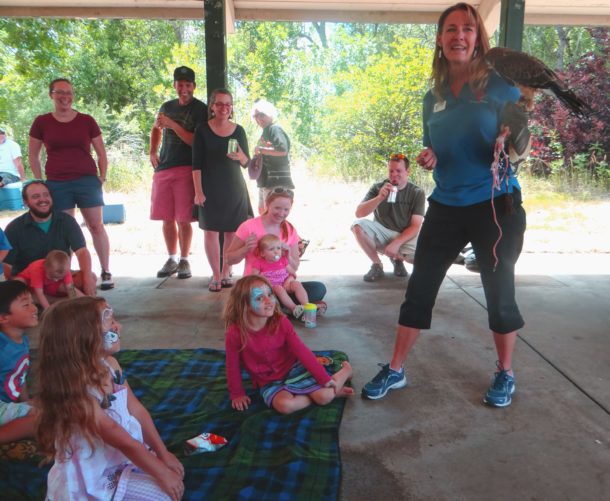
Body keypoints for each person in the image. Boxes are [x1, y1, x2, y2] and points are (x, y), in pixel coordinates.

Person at [361, 2, 527, 408]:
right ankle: (396, 368)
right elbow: (434, 146)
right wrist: (430, 156)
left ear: (477, 38)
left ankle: (505, 373)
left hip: (494, 205)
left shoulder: (499, 87)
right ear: (440, 39)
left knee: (498, 290)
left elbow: (522, 145)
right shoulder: (431, 97)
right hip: (447, 205)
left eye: (467, 29)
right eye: (451, 29)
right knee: (419, 289)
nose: (459, 35)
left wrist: (514, 138)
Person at [37, 296, 184, 500]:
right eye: (109, 321)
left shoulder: (111, 365)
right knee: (163, 494)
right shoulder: (76, 393)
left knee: (173, 480)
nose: (118, 326)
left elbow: (136, 409)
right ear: (82, 336)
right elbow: (119, 438)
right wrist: (160, 471)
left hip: (119, 458)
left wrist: (162, 453)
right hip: (94, 475)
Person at [29, 78, 114, 290]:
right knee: (65, 230)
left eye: (68, 92)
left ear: (73, 95)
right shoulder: (42, 121)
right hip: (57, 182)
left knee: (96, 226)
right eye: (60, 92)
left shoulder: (86, 120)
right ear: (51, 95)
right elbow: (33, 155)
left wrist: (101, 177)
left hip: (87, 181)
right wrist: (41, 182)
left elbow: (101, 153)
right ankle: (65, 275)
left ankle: (105, 271)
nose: (65, 97)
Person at [224, 275, 353, 414]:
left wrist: (323, 378)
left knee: (324, 396)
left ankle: (346, 371)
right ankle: (326, 393)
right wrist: (237, 394)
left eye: (270, 294)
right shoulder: (235, 332)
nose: (269, 301)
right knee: (285, 406)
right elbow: (232, 364)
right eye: (259, 298)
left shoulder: (281, 322)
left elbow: (301, 351)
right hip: (267, 381)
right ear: (244, 304)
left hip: (293, 368)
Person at [225, 188, 328, 313]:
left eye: (286, 209)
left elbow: (294, 268)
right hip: (258, 287)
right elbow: (229, 259)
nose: (281, 213)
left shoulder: (289, 229)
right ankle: (287, 308)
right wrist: (245, 249)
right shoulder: (248, 226)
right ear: (267, 205)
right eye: (277, 208)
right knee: (260, 297)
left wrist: (289, 255)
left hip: (282, 284)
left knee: (319, 288)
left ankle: (284, 309)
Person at [150, 66, 207, 280]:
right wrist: (153, 151)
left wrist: (172, 124)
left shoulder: (200, 109)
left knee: (183, 218)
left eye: (188, 85)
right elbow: (156, 128)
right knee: (166, 217)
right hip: (164, 167)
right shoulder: (166, 106)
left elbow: (195, 141)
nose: (184, 88)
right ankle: (171, 257)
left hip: (186, 167)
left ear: (194, 86)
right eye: (180, 84)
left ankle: (184, 260)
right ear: (174, 85)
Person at [192, 88, 252, 292]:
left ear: (232, 107)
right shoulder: (202, 129)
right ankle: (215, 275)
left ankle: (226, 271)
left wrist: (241, 157)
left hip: (234, 188)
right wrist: (198, 191)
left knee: (230, 233)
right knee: (210, 232)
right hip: (209, 187)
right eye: (219, 104)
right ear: (212, 106)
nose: (224, 108)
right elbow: (196, 164)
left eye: (228, 104)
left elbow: (247, 163)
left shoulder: (239, 130)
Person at [3, 181, 97, 296]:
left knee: (89, 277)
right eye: (36, 197)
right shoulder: (14, 228)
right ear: (25, 202)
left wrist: (88, 281)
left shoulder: (67, 221)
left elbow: (82, 251)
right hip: (30, 281)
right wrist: (16, 289)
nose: (43, 200)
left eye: (46, 195)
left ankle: (73, 305)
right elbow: (7, 266)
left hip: (58, 277)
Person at [351, 154, 425, 281]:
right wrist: (379, 198)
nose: (394, 174)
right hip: (382, 231)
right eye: (391, 171)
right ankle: (377, 264)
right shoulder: (378, 187)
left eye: (398, 171)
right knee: (357, 226)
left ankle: (398, 259)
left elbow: (415, 226)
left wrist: (396, 244)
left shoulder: (416, 192)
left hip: (404, 235)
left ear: (408, 171)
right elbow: (359, 213)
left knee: (425, 261)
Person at [0, 281, 38, 444]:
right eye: (25, 305)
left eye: (32, 302)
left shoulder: (22, 339)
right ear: (3, 317)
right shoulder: (2, 347)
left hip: (8, 404)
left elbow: (20, 376)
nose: (34, 308)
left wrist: (26, 401)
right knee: (42, 419)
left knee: (52, 404)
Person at [250, 100, 295, 214]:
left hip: (277, 183)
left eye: (262, 114)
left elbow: (282, 150)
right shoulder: (266, 131)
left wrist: (261, 149)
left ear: (270, 113)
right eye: (256, 116)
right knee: (264, 214)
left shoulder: (274, 129)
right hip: (267, 182)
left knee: (272, 218)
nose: (259, 119)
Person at [251, 234, 309, 319]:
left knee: (297, 284)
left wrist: (288, 281)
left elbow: (293, 273)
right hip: (271, 288)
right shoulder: (259, 262)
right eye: (271, 249)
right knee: (278, 288)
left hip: (286, 284)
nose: (276, 251)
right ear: (262, 253)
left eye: (278, 248)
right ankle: (294, 308)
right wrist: (262, 279)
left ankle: (306, 306)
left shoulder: (283, 260)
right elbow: (253, 278)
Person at [16, 250, 83, 311]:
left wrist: (75, 305)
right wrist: (48, 310)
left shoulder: (65, 270)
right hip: (30, 284)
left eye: (59, 278)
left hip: (46, 286)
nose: (56, 280)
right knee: (18, 283)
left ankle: (88, 302)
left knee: (71, 289)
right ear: (45, 267)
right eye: (52, 276)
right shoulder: (36, 269)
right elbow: (39, 293)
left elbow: (71, 289)